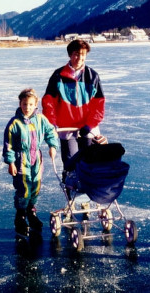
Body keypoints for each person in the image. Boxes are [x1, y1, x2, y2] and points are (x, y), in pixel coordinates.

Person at [42, 39, 108, 200]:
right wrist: (52, 124)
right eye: (76, 54)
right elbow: (48, 102)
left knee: (90, 162)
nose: (80, 58)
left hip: (87, 129)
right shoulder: (58, 76)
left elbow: (99, 105)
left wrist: (90, 124)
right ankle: (72, 192)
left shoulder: (92, 76)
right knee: (71, 163)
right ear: (70, 55)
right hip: (66, 129)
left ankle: (90, 194)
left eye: (83, 55)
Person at [3, 88, 59, 237]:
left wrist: (52, 146)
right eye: (24, 104)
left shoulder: (40, 119)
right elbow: (8, 145)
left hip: (37, 159)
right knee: (24, 189)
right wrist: (11, 162)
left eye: (30, 104)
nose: (27, 107)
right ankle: (21, 215)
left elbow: (50, 131)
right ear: (20, 104)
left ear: (36, 105)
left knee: (35, 187)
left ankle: (31, 211)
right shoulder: (14, 123)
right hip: (21, 160)